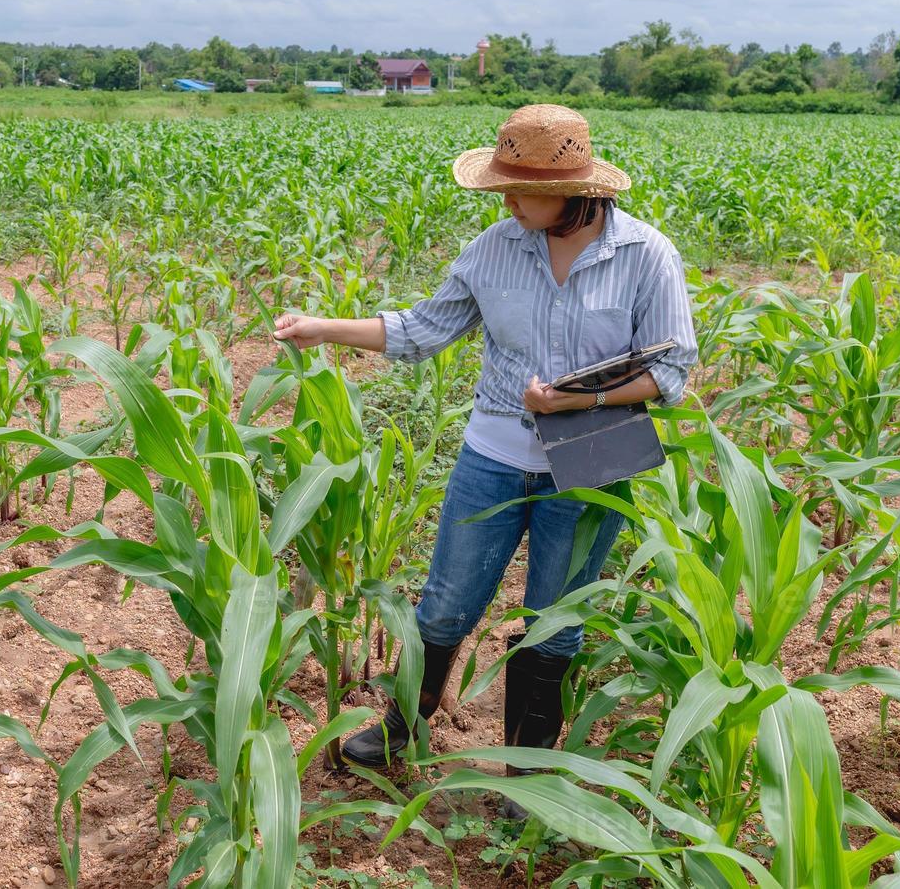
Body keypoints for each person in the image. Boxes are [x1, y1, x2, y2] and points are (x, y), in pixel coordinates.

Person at [271, 104, 698, 810]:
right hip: (493, 454)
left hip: (594, 454)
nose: (504, 200)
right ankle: (405, 727)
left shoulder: (645, 254)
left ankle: (525, 778)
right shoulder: (494, 248)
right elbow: (421, 329)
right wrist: (321, 329)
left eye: (518, 187)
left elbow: (672, 374)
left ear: (572, 192)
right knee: (443, 606)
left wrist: (577, 403)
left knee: (553, 621)